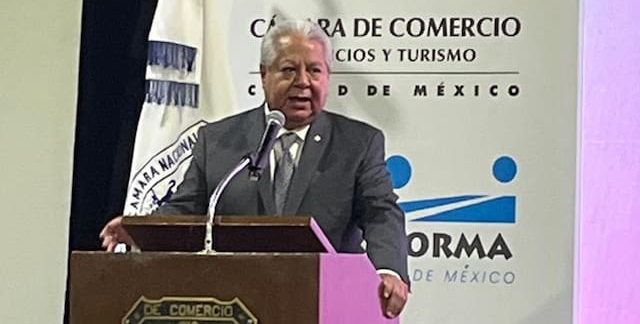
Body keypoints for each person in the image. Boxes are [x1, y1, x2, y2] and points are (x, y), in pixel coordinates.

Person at [101, 19, 409, 318]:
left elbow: (380, 211)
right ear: (264, 74)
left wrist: (389, 270)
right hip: (234, 302)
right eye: (289, 69)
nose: (303, 81)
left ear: (327, 76)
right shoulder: (218, 141)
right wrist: (140, 229)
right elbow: (186, 210)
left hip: (326, 300)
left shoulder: (358, 143)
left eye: (314, 70)